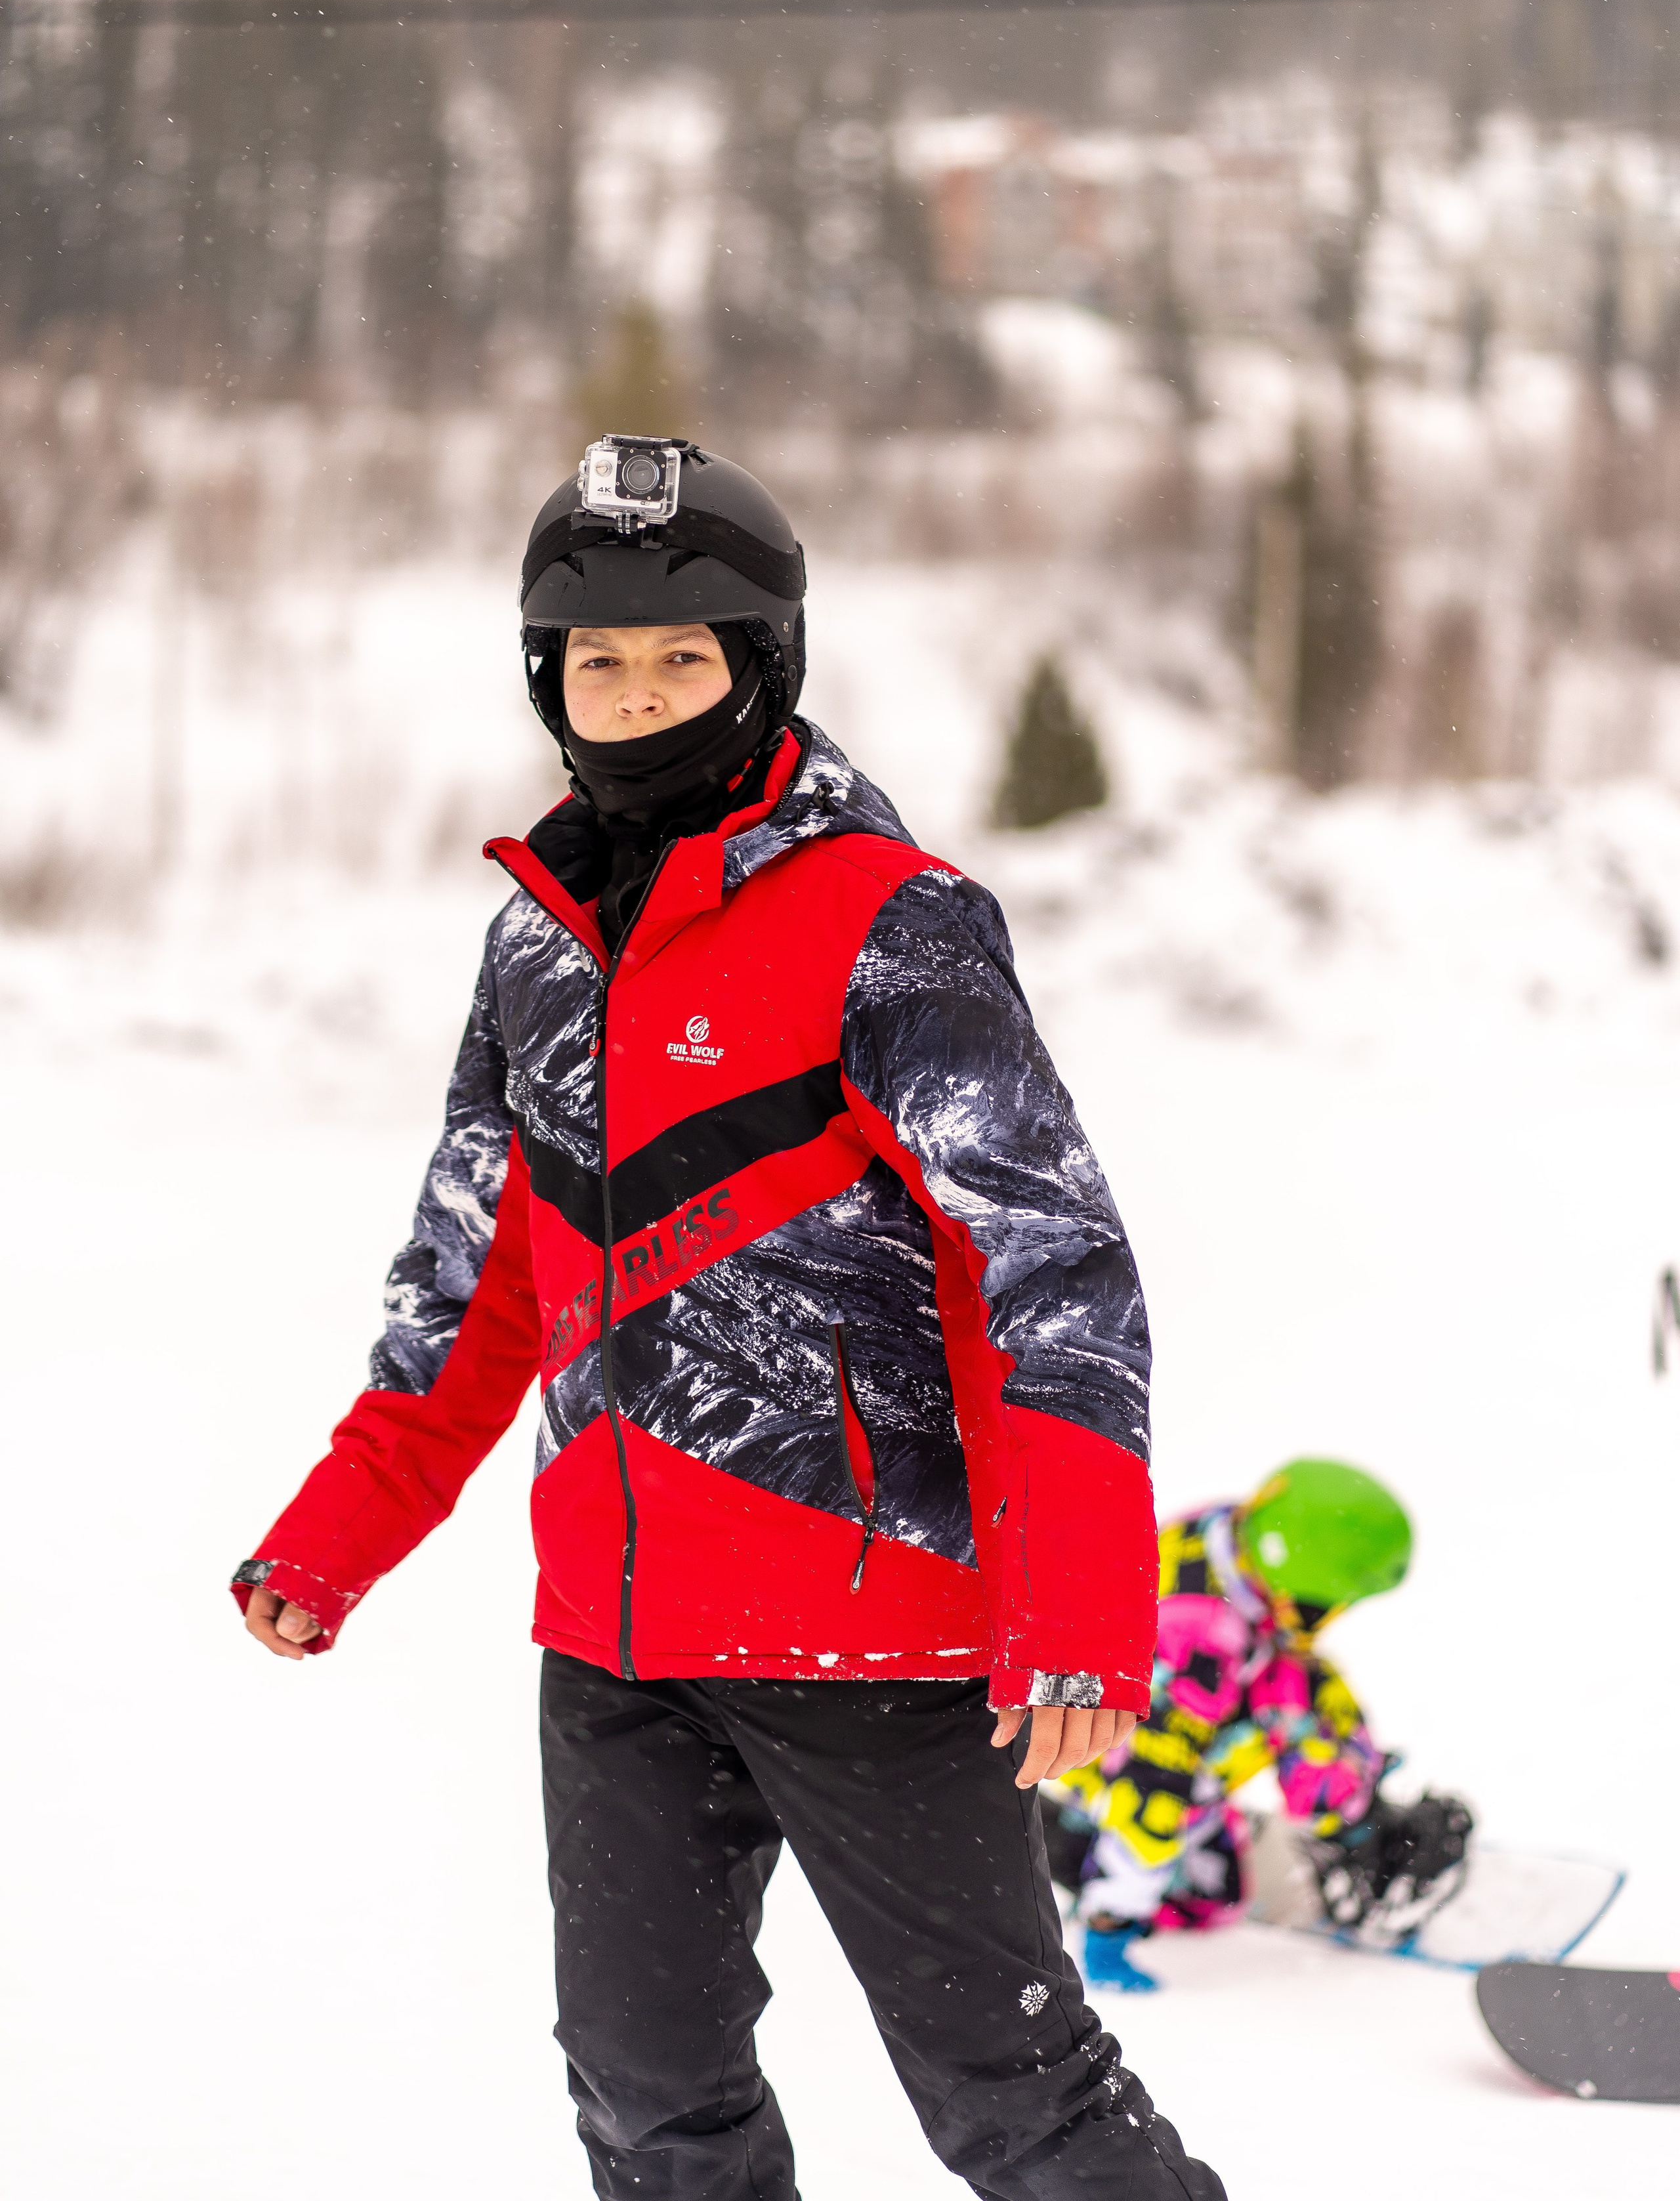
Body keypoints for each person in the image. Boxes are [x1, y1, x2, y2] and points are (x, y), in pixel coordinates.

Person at [233, 436, 1225, 2201]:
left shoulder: (891, 924)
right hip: (615, 1640)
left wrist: (1075, 1604)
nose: (633, 694)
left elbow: (1047, 1266)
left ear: (761, 665)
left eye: (679, 657)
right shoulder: (535, 947)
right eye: (595, 660)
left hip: (873, 1625)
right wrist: (338, 1529)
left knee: (1016, 2099)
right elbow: (478, 1275)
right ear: (546, 676)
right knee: (646, 2096)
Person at [1044, 1457, 1471, 1990]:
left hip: (1152, 1707)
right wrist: (1112, 1922)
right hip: (1105, 1759)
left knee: (1306, 1681)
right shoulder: (1199, 1652)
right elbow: (1151, 1789)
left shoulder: (1229, 1538)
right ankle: (1075, 1841)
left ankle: (1354, 1816)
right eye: (1327, 1606)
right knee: (1209, 1900)